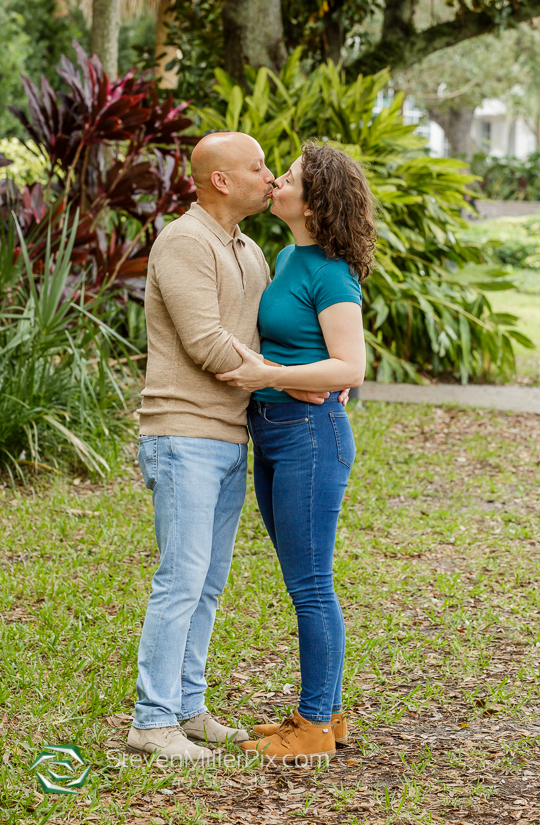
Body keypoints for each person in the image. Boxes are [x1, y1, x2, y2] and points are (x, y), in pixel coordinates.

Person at [127, 132, 343, 763]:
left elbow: (267, 339)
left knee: (209, 583)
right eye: (258, 167)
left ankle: (188, 709)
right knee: (181, 579)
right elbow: (206, 342)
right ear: (222, 180)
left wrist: (315, 374)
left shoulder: (250, 251)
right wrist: (285, 379)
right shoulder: (184, 242)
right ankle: (152, 719)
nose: (270, 176)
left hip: (230, 434)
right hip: (182, 433)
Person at [217, 142, 376, 765]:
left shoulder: (330, 271)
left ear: (314, 203)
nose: (276, 180)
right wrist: (284, 379)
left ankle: (312, 728)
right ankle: (326, 715)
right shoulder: (286, 255)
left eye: (288, 177)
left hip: (313, 436)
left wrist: (274, 377)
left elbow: (351, 365)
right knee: (303, 583)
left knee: (311, 587)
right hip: (277, 433)